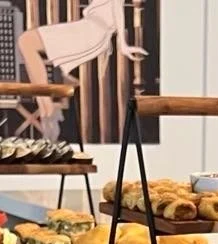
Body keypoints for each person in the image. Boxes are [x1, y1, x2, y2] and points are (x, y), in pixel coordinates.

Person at [18, 0, 147, 140]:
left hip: (92, 30)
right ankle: (47, 111)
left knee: (27, 41)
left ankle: (48, 111)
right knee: (26, 42)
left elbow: (117, 7)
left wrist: (123, 43)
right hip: (89, 27)